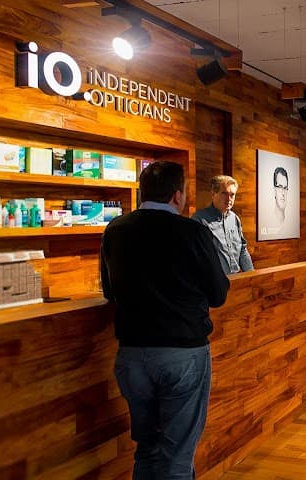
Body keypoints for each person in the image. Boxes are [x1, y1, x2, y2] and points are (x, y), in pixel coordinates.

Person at [100, 161, 230, 479]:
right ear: (177, 195)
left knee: (147, 450)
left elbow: (109, 290)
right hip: (182, 355)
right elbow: (218, 294)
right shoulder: (193, 232)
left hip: (132, 356)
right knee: (177, 459)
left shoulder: (115, 230)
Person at [192, 175, 254, 275]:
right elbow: (197, 256)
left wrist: (251, 276)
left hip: (237, 279)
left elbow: (242, 250)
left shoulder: (234, 219)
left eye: (232, 195)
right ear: (213, 194)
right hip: (214, 281)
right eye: (224, 193)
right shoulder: (199, 220)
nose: (229, 199)